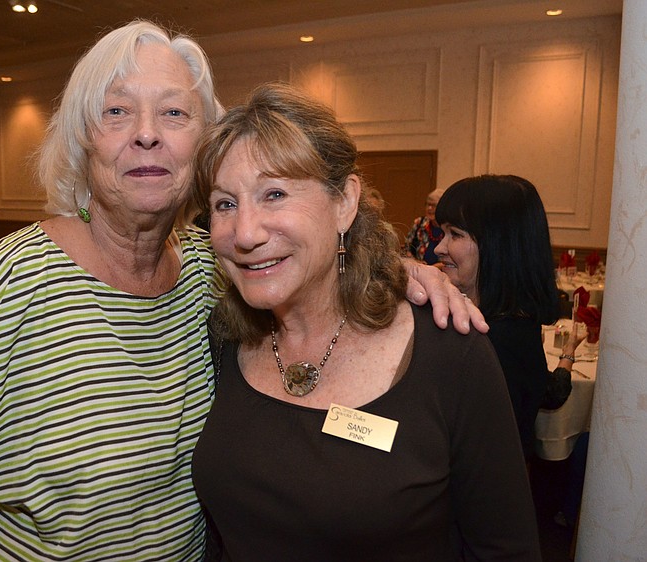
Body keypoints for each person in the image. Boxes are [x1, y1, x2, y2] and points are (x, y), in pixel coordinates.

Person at [0, 21, 483, 561]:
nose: (146, 133)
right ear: (83, 140)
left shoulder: (216, 271)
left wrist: (407, 272)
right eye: (117, 111)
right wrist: (2, 528)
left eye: (173, 113)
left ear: (202, 149)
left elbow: (315, 260)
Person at [191, 83, 538, 560]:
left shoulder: (450, 353)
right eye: (225, 204)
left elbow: (505, 548)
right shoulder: (222, 339)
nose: (245, 233)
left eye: (274, 194)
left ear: (344, 203)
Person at [434, 174, 586, 460]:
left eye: (455, 234)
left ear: (496, 245)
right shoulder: (496, 322)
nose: (439, 248)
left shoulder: (501, 339)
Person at [404, 188, 445, 265]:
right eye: (428, 204)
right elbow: (407, 249)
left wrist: (437, 267)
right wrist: (416, 263)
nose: (429, 208)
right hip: (420, 272)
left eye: (434, 205)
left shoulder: (450, 228)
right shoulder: (419, 223)